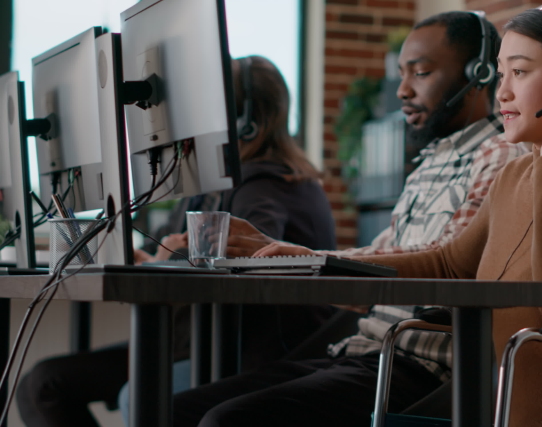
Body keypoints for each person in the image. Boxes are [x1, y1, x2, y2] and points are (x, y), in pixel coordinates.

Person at [254, 4, 542, 426]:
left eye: (520, 73)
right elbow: (448, 263)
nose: (502, 92)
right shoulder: (513, 177)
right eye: (501, 73)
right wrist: (318, 265)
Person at [171, 11, 528, 427]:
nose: (403, 90)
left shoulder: (500, 157)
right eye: (402, 74)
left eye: (422, 73)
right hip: (361, 351)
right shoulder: (431, 163)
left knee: (226, 419)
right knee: (176, 410)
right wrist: (287, 259)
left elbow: (447, 268)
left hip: (418, 367)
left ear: (479, 74)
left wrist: (302, 259)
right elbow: (373, 270)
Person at [15, 55, 338, 427]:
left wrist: (169, 259)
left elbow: (251, 258)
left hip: (250, 352)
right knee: (41, 385)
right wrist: (153, 258)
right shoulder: (209, 184)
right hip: (198, 338)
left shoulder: (266, 184)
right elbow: (179, 249)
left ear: (244, 121)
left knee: (117, 394)